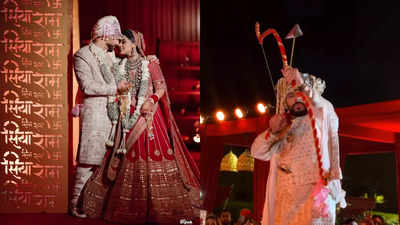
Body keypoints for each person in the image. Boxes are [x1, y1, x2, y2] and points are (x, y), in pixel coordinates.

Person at [81, 29, 201, 225]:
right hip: (125, 116)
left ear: (134, 43)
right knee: (122, 157)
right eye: (118, 42)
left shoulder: (150, 64)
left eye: (123, 42)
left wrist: (151, 100)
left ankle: (158, 208)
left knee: (148, 156)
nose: (120, 45)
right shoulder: (120, 64)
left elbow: (160, 87)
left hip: (148, 116)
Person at [251, 66, 347, 225]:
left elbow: (318, 104)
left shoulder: (322, 117)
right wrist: (272, 132)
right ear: (284, 100)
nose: (296, 98)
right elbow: (257, 152)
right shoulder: (284, 126)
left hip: (312, 194)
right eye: (290, 95)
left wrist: (301, 83)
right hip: (284, 194)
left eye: (300, 93)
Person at [70, 15, 131, 218]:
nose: (118, 38)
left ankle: (96, 205)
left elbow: (129, 68)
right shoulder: (83, 55)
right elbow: (87, 86)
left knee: (110, 162)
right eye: (115, 33)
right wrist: (115, 88)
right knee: (89, 160)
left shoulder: (112, 56)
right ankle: (75, 204)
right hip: (95, 113)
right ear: (105, 34)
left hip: (115, 114)